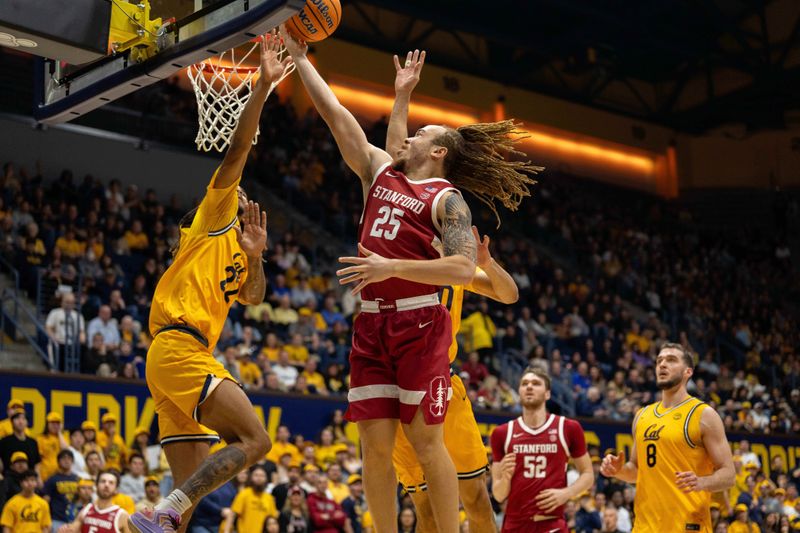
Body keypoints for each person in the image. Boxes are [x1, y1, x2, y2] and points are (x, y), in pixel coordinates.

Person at [282, 29, 539, 533]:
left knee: (428, 447)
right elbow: (338, 117)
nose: (410, 135)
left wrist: (390, 267)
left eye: (423, 133)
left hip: (422, 324)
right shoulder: (379, 172)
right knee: (372, 451)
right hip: (371, 327)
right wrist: (299, 58)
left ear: (439, 152)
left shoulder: (447, 201)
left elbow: (466, 270)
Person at [128, 32, 293, 532]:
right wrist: (262, 84)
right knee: (257, 442)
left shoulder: (239, 247)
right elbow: (238, 149)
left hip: (172, 357)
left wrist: (257, 257)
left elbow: (254, 297)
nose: (239, 194)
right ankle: (168, 505)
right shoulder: (212, 218)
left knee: (182, 512)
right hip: (181, 349)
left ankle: (169, 511)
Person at [386, 49, 520, 533]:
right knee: (421, 506)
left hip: (439, 382)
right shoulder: (401, 211)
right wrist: (401, 95)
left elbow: (508, 295)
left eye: (423, 134)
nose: (411, 139)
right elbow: (395, 156)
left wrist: (488, 264)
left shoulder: (453, 237)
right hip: (392, 379)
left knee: (475, 498)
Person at [601, 343, 735, 533]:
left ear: (688, 371)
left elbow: (729, 475)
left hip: (687, 525)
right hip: (645, 526)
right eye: (659, 361)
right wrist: (618, 470)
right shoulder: (642, 415)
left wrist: (701, 482)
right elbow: (637, 472)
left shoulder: (704, 415)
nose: (662, 365)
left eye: (671, 360)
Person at [490, 367, 594, 532]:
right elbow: (498, 495)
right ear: (519, 391)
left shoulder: (568, 428)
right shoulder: (502, 433)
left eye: (536, 383)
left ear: (547, 394)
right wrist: (506, 479)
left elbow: (588, 474)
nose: (529, 387)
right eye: (524, 384)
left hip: (551, 523)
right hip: (515, 525)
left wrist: (567, 493)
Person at [58, 471, 131, 533]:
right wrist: (65, 529)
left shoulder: (122, 515)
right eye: (103, 481)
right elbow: (72, 530)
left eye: (111, 483)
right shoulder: (86, 509)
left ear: (116, 490)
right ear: (96, 486)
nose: (106, 485)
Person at [224, 465, 278, 533]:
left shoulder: (269, 498)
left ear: (266, 479)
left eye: (262, 476)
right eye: (256, 475)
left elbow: (272, 521)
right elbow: (232, 515)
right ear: (251, 478)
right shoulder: (244, 494)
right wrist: (226, 531)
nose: (259, 478)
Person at [44, 449, 80, 531]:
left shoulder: (77, 479)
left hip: (74, 519)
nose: (66, 461)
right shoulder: (52, 479)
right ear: (58, 462)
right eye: (63, 458)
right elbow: (46, 500)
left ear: (72, 461)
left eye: (69, 459)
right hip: (57, 519)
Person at [0, 409, 40, 477]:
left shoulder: (33, 443)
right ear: (12, 422)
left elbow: (36, 465)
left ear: (27, 423)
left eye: (23, 419)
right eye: (17, 418)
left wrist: (38, 480)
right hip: (9, 481)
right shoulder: (4, 442)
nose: (20, 421)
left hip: (29, 481)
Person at [38, 411, 69, 482]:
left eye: (58, 423)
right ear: (47, 424)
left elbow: (65, 451)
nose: (55, 425)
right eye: (52, 423)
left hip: (61, 475)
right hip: (45, 475)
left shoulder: (64, 438)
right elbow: (38, 460)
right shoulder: (41, 439)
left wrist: (59, 432)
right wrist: (39, 478)